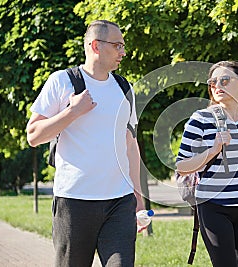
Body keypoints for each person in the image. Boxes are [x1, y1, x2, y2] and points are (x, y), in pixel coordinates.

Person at [26, 20, 144, 267]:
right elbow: (34, 135)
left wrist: (137, 194)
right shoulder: (62, 81)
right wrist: (72, 112)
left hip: (119, 202)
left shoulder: (124, 88)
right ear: (95, 46)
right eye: (117, 45)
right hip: (74, 201)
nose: (123, 52)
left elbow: (130, 143)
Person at [176, 61, 238, 267]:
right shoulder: (200, 119)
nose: (217, 86)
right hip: (214, 206)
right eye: (213, 82)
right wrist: (212, 150)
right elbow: (182, 165)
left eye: (225, 80)